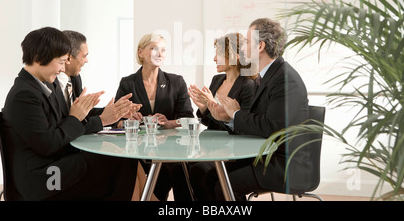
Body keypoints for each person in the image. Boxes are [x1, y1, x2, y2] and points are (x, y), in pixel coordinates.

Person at [1, 27, 141, 200]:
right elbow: (48, 145)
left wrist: (89, 114)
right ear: (38, 58)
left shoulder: (43, 86)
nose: (62, 69)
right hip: (43, 178)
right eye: (60, 62)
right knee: (119, 160)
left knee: (120, 158)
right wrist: (76, 117)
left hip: (56, 166)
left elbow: (61, 125)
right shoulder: (24, 95)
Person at [200, 18, 311, 200]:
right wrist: (228, 118)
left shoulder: (284, 79)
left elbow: (272, 127)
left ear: (260, 46)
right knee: (212, 176)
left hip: (285, 164)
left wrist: (235, 114)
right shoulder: (267, 75)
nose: (242, 48)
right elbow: (258, 120)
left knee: (224, 185)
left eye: (247, 42)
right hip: (268, 155)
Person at [175, 33, 255, 201]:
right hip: (212, 145)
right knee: (179, 166)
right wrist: (205, 108)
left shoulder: (248, 85)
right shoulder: (217, 79)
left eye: (218, 54)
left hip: (235, 150)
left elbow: (244, 126)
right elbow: (211, 122)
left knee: (200, 170)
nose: (213, 58)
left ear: (233, 55)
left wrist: (213, 105)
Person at [114, 32, 194, 200]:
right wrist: (127, 121)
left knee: (179, 173)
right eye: (154, 48)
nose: (160, 54)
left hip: (171, 152)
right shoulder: (127, 83)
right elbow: (116, 121)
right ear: (141, 52)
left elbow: (188, 117)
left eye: (163, 50)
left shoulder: (176, 81)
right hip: (139, 153)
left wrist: (170, 123)